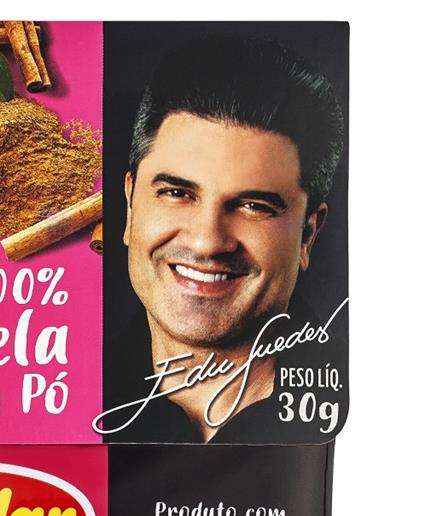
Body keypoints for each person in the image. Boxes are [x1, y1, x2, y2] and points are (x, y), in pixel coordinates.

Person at [98, 36, 345, 443]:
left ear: (308, 233)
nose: (206, 242)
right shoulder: (60, 399)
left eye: (253, 206)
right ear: (129, 206)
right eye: (177, 193)